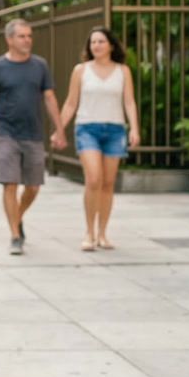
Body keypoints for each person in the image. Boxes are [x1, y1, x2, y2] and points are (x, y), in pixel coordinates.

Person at [0, 19, 67, 256]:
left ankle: (17, 218)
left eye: (29, 36)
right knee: (10, 183)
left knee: (34, 187)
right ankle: (15, 235)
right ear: (9, 39)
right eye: (22, 36)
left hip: (34, 134)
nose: (27, 39)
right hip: (6, 133)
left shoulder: (40, 66)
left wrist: (59, 129)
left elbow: (49, 98)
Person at [59, 28, 139, 251]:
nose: (96, 45)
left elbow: (129, 102)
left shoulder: (122, 71)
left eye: (101, 41)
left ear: (111, 46)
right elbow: (71, 103)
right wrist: (59, 128)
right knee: (93, 179)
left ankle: (103, 233)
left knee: (107, 183)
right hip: (87, 128)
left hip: (115, 130)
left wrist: (134, 128)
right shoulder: (81, 70)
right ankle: (88, 232)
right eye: (92, 42)